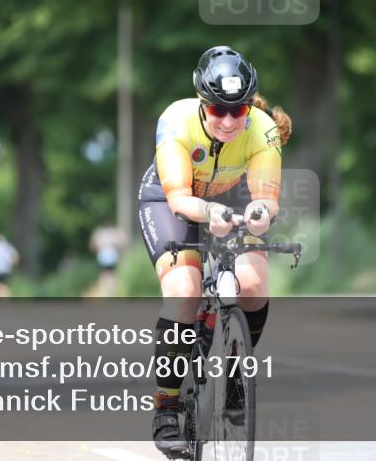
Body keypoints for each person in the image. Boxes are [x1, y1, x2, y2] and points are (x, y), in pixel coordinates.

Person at [138, 46, 291, 458]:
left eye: (237, 111)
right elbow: (180, 198)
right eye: (217, 110)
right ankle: (166, 408)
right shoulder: (175, 120)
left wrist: (261, 213)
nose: (227, 121)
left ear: (249, 109)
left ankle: (237, 371)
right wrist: (209, 212)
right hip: (176, 199)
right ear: (202, 104)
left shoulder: (264, 130)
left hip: (236, 194)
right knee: (185, 292)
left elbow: (266, 198)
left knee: (254, 284)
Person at [89, 223, 128, 296]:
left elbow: (93, 245)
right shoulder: (112, 232)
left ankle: (108, 291)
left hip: (107, 257)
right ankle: (109, 291)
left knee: (107, 274)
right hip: (108, 257)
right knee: (109, 274)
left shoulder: (100, 233)